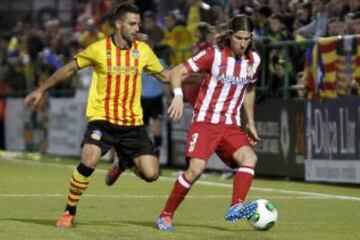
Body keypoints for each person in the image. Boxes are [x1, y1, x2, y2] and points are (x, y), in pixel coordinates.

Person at [24, 3, 170, 228]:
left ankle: (123, 163)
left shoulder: (143, 51)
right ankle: (69, 212)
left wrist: (200, 75)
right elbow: (69, 69)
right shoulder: (98, 49)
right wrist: (41, 89)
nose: (136, 28)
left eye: (138, 23)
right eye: (132, 23)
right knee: (90, 158)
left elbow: (166, 77)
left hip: (132, 124)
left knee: (151, 174)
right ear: (119, 24)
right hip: (103, 119)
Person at [156, 14, 261, 231]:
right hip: (205, 122)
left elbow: (249, 89)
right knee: (195, 170)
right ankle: (166, 215)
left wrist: (249, 122)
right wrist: (177, 94)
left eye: (247, 38)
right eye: (239, 38)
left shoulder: (254, 61)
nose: (243, 43)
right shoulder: (213, 55)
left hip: (231, 124)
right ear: (230, 35)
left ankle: (236, 206)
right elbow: (177, 72)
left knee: (249, 158)